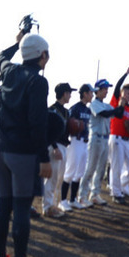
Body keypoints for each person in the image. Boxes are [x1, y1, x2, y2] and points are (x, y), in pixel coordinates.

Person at [0, 31, 51, 257]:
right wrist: (44, 158)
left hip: (1, 149)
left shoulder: (8, 71)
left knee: (2, 205)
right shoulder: (38, 81)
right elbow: (37, 123)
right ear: (43, 55)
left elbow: (1, 56)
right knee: (20, 207)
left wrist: (16, 43)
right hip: (23, 154)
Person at [78, 79, 124, 206]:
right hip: (95, 138)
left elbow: (118, 115)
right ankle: (82, 196)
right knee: (90, 168)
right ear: (97, 90)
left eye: (106, 89)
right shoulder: (94, 104)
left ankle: (95, 194)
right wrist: (117, 109)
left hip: (104, 138)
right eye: (104, 89)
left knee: (101, 169)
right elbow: (105, 114)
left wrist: (122, 105)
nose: (106, 91)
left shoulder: (106, 105)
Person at [60, 84, 96, 209]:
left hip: (85, 142)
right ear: (85, 94)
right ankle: (63, 201)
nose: (92, 95)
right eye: (91, 93)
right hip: (75, 141)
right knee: (70, 172)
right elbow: (68, 125)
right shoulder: (75, 108)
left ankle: (72, 199)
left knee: (79, 172)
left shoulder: (87, 109)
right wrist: (74, 127)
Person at [43, 83, 77, 214]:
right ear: (64, 94)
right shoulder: (51, 110)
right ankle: (47, 207)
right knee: (52, 178)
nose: (70, 95)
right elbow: (47, 132)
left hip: (64, 146)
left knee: (59, 178)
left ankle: (54, 205)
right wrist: (55, 147)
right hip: (54, 146)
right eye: (69, 93)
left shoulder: (66, 112)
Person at [109, 66, 129, 204]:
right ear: (122, 93)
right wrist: (125, 75)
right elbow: (117, 88)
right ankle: (116, 193)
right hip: (116, 138)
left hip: (127, 141)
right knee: (117, 167)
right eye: (125, 92)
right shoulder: (116, 102)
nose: (127, 95)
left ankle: (121, 185)